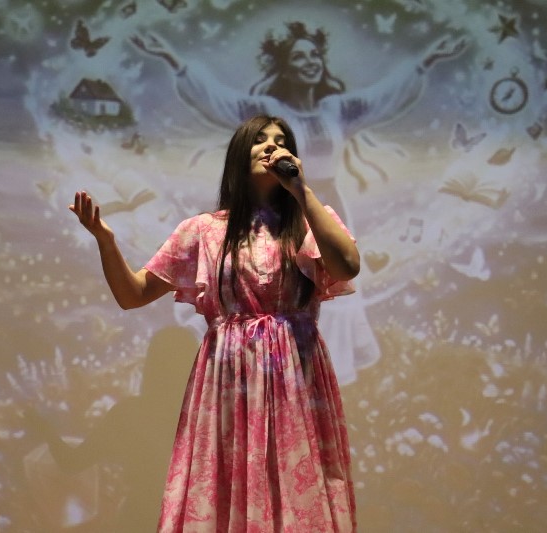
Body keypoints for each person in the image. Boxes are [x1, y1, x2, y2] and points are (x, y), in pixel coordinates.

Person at [68, 115, 360, 531]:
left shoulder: (310, 221)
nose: (272, 146)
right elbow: (132, 295)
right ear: (240, 155)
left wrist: (301, 191)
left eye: (281, 141)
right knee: (226, 491)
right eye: (261, 140)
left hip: (296, 379)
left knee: (297, 495)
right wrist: (106, 241)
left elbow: (347, 265)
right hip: (229, 381)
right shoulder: (203, 231)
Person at [132, 22, 466, 385]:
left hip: (317, 205)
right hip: (270, 235)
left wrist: (426, 62)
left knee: (325, 299)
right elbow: (217, 100)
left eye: (314, 55)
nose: (310, 62)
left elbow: (384, 98)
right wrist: (173, 60)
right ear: (284, 68)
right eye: (299, 57)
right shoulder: (265, 112)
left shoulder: (336, 109)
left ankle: (319, 374)